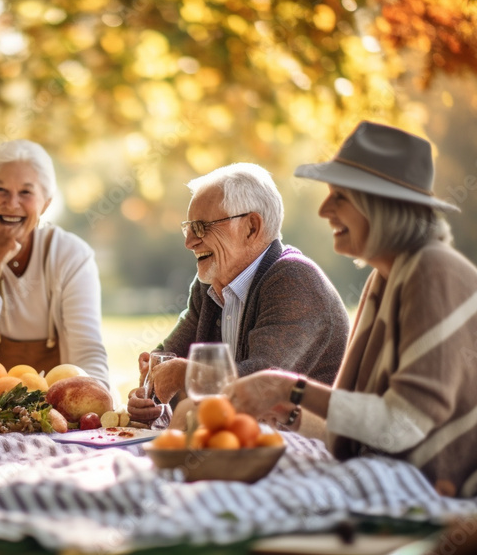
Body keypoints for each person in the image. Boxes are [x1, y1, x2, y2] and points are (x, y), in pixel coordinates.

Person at [217, 121, 477, 498]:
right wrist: (290, 412)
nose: (324, 210)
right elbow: (370, 432)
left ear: (381, 206)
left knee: (263, 494)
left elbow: (402, 425)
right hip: (417, 475)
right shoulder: (388, 277)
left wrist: (289, 387)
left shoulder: (433, 272)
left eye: (340, 197)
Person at [128, 162, 349, 428]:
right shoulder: (209, 285)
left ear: (251, 228)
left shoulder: (295, 280)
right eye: (188, 228)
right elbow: (164, 358)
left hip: (315, 444)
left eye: (202, 227)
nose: (189, 242)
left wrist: (183, 375)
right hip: (241, 440)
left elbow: (261, 383)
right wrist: (148, 395)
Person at [0, 139, 108, 384]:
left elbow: (88, 350)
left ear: (46, 203)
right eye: (0, 190)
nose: (12, 203)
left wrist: (97, 396)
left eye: (25, 192)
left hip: (55, 401)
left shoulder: (72, 255)